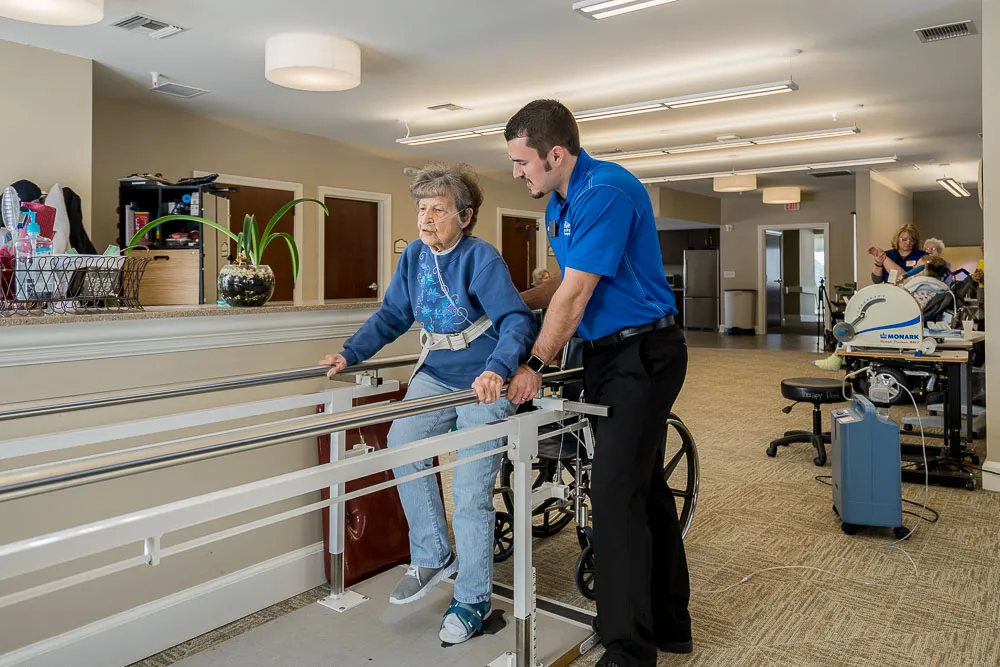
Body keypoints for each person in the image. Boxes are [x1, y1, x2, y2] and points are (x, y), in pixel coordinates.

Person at [504, 99, 690, 667]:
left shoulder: (606, 190)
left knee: (613, 494)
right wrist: (507, 305)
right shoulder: (560, 203)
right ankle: (670, 622)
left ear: (555, 154)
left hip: (646, 352)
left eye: (522, 163)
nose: (517, 173)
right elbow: (559, 283)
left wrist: (533, 365)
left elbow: (576, 296)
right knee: (644, 486)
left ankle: (629, 651)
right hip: (608, 355)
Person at [319, 163, 537, 645]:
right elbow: (394, 314)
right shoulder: (415, 256)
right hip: (436, 373)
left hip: (484, 380)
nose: (426, 218)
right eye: (422, 209)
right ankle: (434, 555)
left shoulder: (481, 258)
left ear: (465, 215)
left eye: (438, 209)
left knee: (470, 489)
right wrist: (350, 353)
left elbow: (515, 321)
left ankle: (474, 597)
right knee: (403, 444)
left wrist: (497, 370)